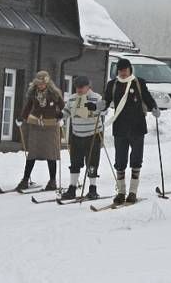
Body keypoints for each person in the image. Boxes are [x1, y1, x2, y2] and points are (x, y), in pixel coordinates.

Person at [103, 58, 159, 204]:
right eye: (120, 70)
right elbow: (106, 100)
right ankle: (121, 192)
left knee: (136, 159)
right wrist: (100, 106)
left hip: (137, 127)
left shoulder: (138, 82)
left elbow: (146, 97)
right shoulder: (112, 84)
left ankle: (133, 192)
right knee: (120, 161)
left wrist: (154, 107)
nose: (122, 73)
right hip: (120, 127)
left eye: (125, 70)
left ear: (130, 69)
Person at [15, 70, 64, 192]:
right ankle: (25, 179)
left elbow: (63, 106)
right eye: (38, 83)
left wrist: (61, 115)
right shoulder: (33, 93)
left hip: (51, 126)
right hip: (36, 125)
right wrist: (22, 116)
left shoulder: (55, 94)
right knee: (32, 153)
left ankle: (52, 181)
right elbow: (28, 106)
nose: (40, 85)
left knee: (50, 154)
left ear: (47, 83)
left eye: (42, 83)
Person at [61, 75, 106, 200]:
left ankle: (92, 188)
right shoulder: (72, 99)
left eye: (82, 87)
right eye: (77, 88)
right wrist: (60, 115)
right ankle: (72, 188)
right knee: (75, 163)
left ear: (88, 86)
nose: (79, 90)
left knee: (92, 162)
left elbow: (104, 111)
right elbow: (67, 112)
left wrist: (96, 107)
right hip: (76, 135)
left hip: (93, 135)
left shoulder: (96, 97)